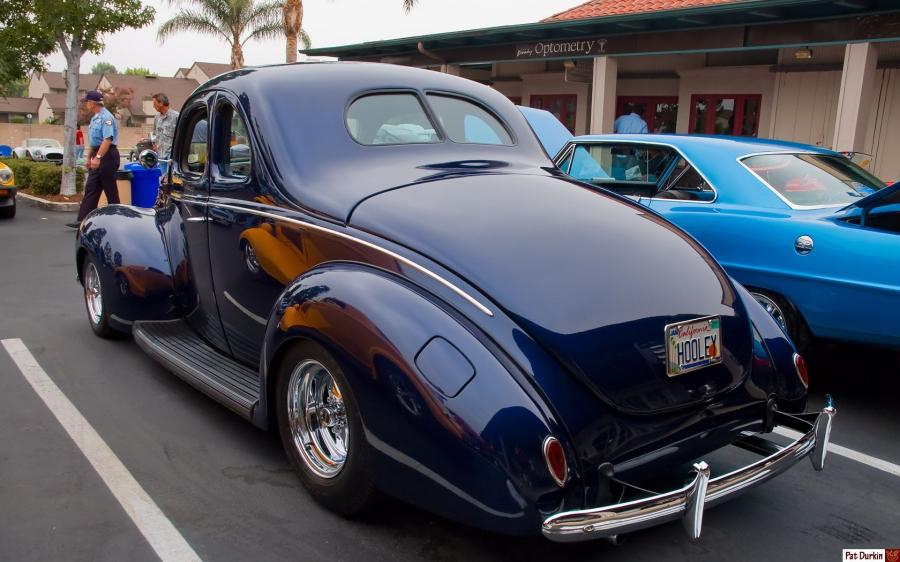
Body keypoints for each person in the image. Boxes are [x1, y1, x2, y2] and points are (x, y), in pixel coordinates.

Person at [68, 90, 119, 229]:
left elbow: (108, 140)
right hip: (98, 153)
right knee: (91, 187)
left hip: (107, 155)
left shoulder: (106, 117)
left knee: (110, 189)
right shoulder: (94, 118)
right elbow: (94, 142)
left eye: (87, 102)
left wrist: (98, 157)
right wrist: (89, 157)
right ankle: (83, 220)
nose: (86, 105)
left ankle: (118, 219)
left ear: (92, 103)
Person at [151, 92, 178, 179]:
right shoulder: (156, 117)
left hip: (172, 156)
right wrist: (154, 144)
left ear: (161, 103)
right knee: (161, 180)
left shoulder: (176, 116)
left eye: (154, 103)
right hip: (160, 155)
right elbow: (154, 133)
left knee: (170, 179)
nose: (153, 106)